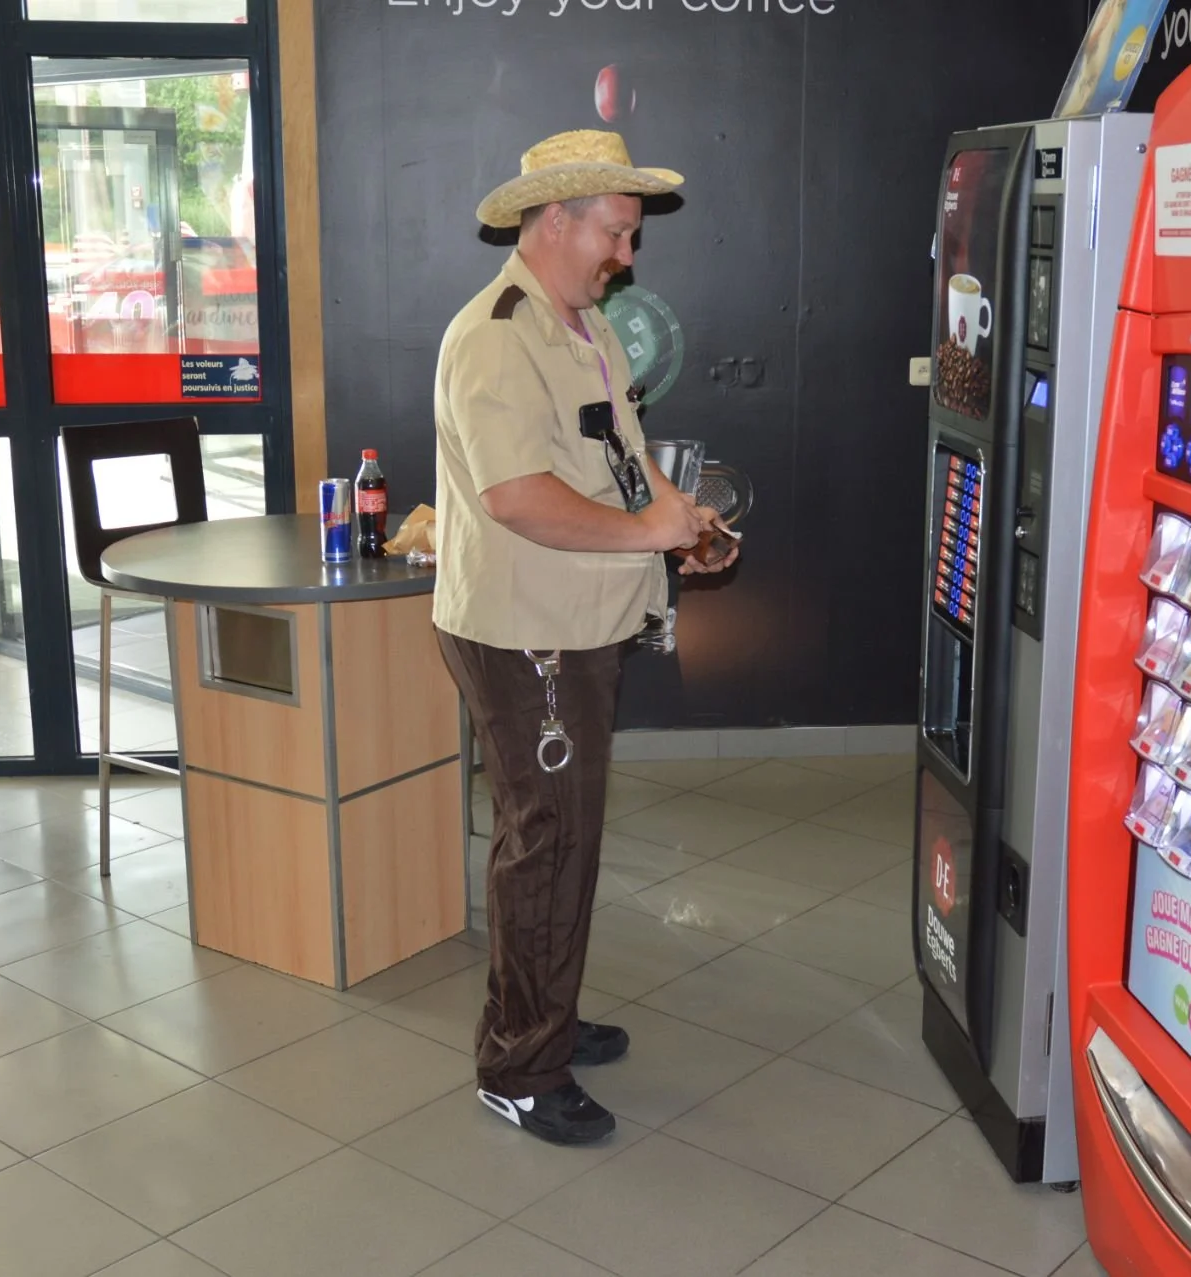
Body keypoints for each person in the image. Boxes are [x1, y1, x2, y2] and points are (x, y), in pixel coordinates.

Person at [431, 129, 739, 1146]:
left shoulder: (585, 325)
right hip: (528, 634)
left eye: (631, 234)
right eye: (616, 232)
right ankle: (520, 1063)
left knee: (565, 839)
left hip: (581, 625)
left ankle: (543, 1008)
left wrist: (679, 530)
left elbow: (625, 460)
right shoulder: (494, 334)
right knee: (546, 843)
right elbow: (517, 497)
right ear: (552, 220)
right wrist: (646, 532)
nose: (628, 255)